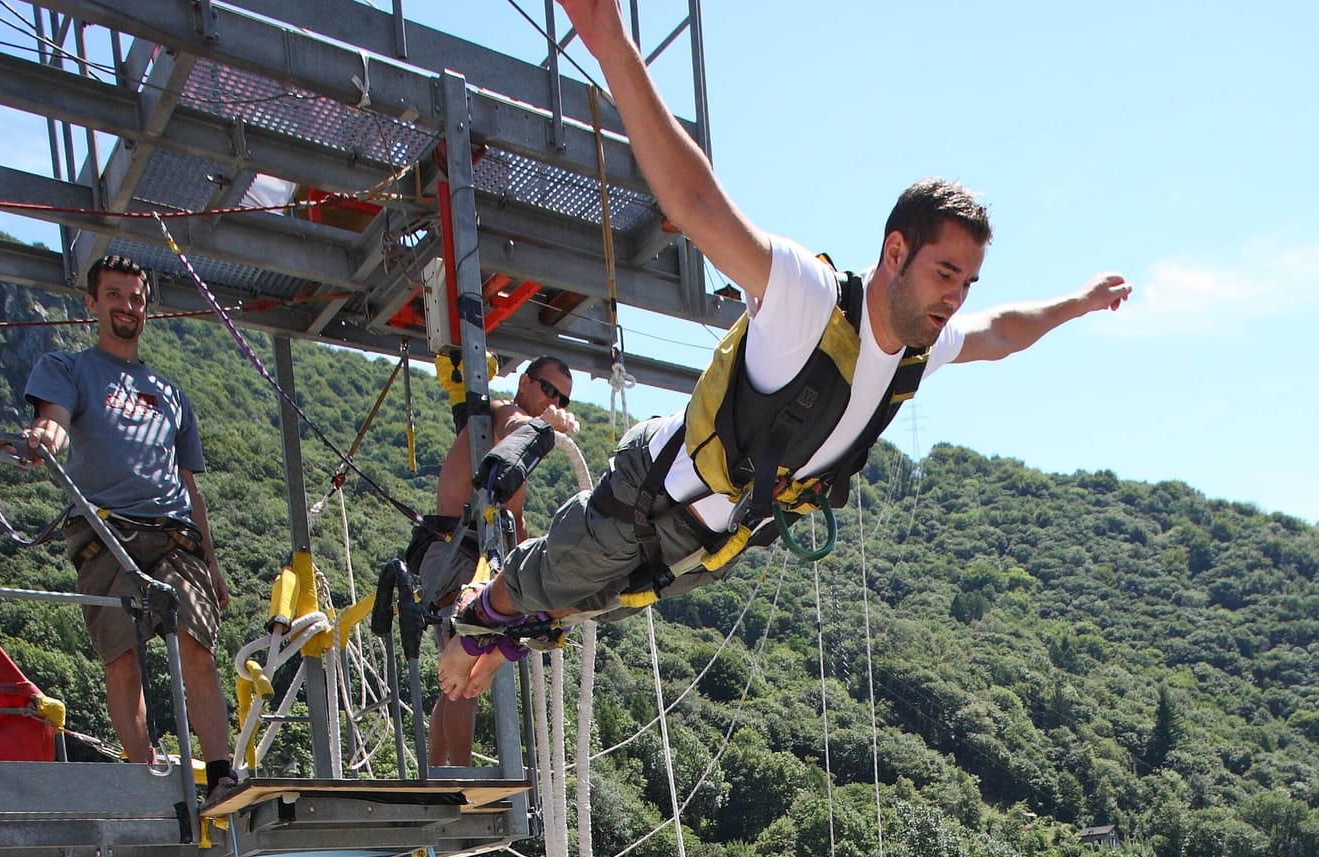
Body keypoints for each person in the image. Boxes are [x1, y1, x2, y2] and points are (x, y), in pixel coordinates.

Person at [436, 0, 1133, 700]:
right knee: (535, 590)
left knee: (573, 607)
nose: (955, 298)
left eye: (966, 283)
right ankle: (471, 618)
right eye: (944, 274)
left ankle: (497, 635)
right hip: (648, 501)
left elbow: (1003, 333)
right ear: (896, 251)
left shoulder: (920, 342)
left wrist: (1078, 302)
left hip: (709, 545)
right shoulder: (811, 298)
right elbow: (698, 206)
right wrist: (612, 44)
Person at [22, 254, 240, 800]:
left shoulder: (170, 395)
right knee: (121, 658)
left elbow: (190, 487)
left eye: (136, 299)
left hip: (174, 532)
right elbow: (55, 418)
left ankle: (221, 775)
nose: (127, 306)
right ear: (92, 303)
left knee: (197, 644)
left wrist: (212, 564)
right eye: (115, 295)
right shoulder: (69, 369)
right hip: (105, 533)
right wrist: (47, 435)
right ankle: (145, 779)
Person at [420, 357, 578, 768]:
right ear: (525, 382)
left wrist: (529, 581)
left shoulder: (518, 450)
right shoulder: (504, 415)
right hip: (455, 547)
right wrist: (543, 425)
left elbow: (516, 520)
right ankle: (458, 776)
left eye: (562, 398)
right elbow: (512, 427)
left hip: (476, 551)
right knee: (468, 663)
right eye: (548, 389)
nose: (554, 401)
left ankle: (440, 773)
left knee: (459, 678)